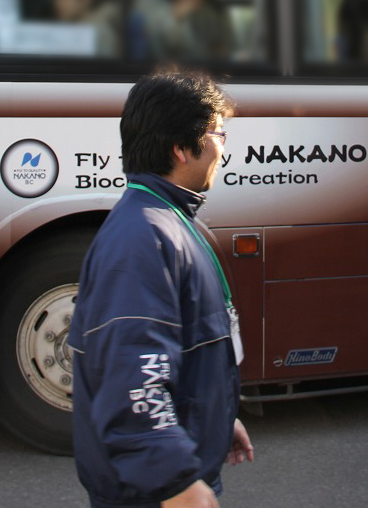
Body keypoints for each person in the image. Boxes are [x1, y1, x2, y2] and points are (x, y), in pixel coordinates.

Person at [68, 71, 253, 508]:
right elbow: (134, 380)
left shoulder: (164, 220)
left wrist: (219, 416)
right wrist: (176, 484)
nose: (223, 150)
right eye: (218, 134)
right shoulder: (142, 239)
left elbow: (182, 349)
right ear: (181, 147)